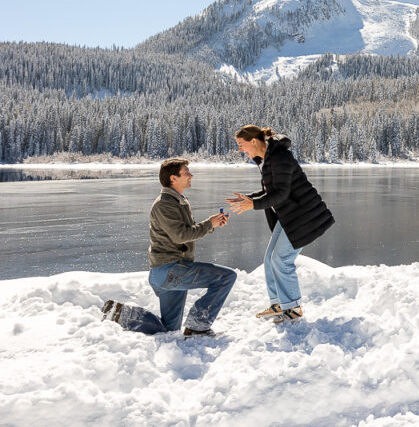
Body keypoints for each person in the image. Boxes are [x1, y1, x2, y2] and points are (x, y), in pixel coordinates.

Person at [100, 158, 236, 337]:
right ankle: (198, 326)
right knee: (226, 277)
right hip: (171, 270)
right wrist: (209, 224)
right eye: (186, 172)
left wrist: (212, 224)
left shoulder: (178, 201)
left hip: (167, 273)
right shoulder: (165, 204)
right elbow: (181, 235)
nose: (191, 175)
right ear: (173, 178)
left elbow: (188, 231)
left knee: (168, 329)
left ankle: (122, 314)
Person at [227, 125, 334, 323]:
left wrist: (254, 205)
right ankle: (278, 304)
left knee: (281, 259)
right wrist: (249, 199)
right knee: (270, 258)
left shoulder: (279, 157)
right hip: (289, 215)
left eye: (241, 145)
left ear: (253, 141)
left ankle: (292, 307)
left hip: (303, 215)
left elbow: (281, 194)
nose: (240, 149)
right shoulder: (267, 159)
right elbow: (272, 192)